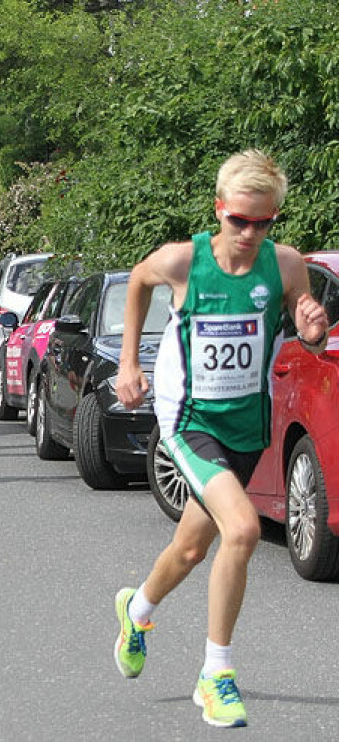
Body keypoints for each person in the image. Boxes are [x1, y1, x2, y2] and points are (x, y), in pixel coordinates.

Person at [113, 150, 329, 729]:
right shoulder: (184, 262)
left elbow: (308, 339)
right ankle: (216, 675)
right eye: (239, 221)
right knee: (244, 528)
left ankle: (136, 611)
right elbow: (137, 279)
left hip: (247, 427)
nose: (250, 234)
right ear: (219, 211)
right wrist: (129, 362)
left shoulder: (284, 267)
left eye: (264, 223)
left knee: (191, 549)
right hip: (190, 422)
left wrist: (314, 330)